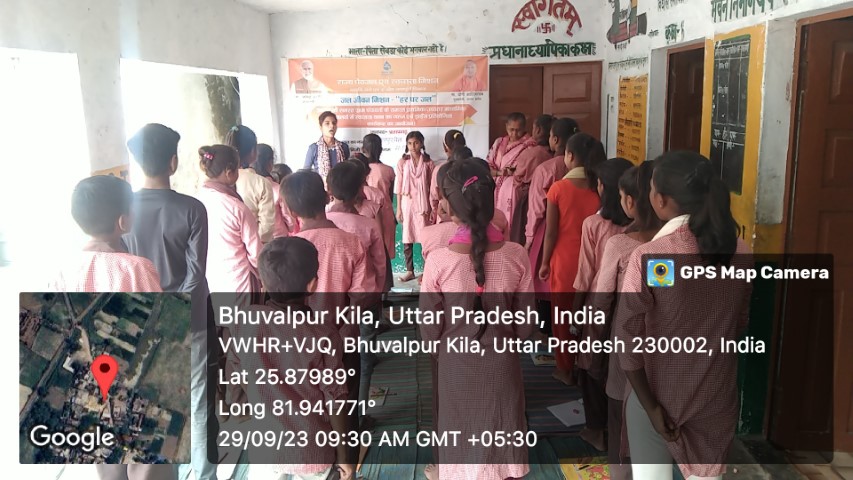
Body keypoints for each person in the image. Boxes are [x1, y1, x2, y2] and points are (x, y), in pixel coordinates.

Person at [615, 151, 752, 480]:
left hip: (657, 393)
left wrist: (651, 408)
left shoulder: (652, 258)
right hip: (715, 394)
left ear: (661, 200)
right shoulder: (741, 252)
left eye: (651, 188)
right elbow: (739, 321)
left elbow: (627, 340)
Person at [53, 175, 176, 480]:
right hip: (132, 376)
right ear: (123, 221)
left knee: (105, 452)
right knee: (148, 456)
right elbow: (158, 316)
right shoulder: (136, 268)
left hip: (93, 377)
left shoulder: (64, 269)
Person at [420, 159, 535, 480]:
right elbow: (526, 324)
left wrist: (442, 350)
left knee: (459, 426)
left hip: (455, 363)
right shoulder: (516, 255)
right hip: (502, 363)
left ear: (450, 209)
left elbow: (429, 328)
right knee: (502, 423)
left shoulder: (438, 261)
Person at [122, 123, 217, 480]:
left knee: (150, 401)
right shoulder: (192, 209)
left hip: (145, 315)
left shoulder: (123, 211)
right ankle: (205, 474)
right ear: (173, 162)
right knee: (199, 400)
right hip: (192, 316)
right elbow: (196, 272)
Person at [245, 237, 353, 480]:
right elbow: (336, 400)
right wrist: (345, 456)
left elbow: (239, 374)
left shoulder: (245, 323)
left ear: (262, 282)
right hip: (312, 452)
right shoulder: (323, 334)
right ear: (312, 285)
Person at [283, 170, 374, 438]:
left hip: (299, 343)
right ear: (326, 197)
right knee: (347, 398)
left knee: (307, 400)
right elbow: (361, 297)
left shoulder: (285, 249)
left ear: (290, 210)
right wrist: (344, 333)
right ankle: (348, 448)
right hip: (343, 339)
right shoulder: (352, 244)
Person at [588, 161, 662, 480]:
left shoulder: (621, 245)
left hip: (626, 349)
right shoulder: (681, 246)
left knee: (621, 425)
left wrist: (591, 345)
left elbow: (602, 300)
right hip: (669, 350)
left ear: (630, 201)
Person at [573, 157, 633, 452]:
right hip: (630, 308)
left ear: (602, 187)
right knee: (621, 367)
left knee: (591, 365)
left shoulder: (594, 224)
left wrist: (575, 313)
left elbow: (585, 274)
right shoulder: (642, 229)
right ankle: (619, 429)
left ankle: (595, 429)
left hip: (598, 304)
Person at [538, 133, 606, 385]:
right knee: (590, 316)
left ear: (569, 156)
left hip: (565, 262)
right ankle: (587, 365)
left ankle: (565, 369)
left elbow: (551, 233)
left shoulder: (558, 189)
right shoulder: (600, 188)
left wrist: (545, 262)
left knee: (563, 318)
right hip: (596, 262)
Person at [195, 145, 262, 303]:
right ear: (228, 172)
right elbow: (256, 254)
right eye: (237, 169)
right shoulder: (237, 208)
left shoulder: (196, 201)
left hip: (211, 280)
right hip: (239, 282)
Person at [526, 118, 580, 297]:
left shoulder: (546, 169)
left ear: (555, 140)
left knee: (544, 281)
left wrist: (529, 238)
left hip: (546, 231)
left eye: (550, 136)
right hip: (576, 229)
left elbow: (536, 209)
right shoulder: (588, 170)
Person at [487, 112, 539, 230]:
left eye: (518, 130)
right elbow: (488, 164)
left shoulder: (530, 145)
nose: (514, 134)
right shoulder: (499, 142)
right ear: (506, 127)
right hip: (494, 188)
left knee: (511, 225)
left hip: (514, 191)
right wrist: (499, 173)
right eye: (511, 130)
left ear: (524, 128)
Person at [508, 114, 555, 243]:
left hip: (528, 202)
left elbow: (517, 181)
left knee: (525, 240)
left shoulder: (530, 153)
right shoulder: (557, 157)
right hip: (553, 204)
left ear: (538, 130)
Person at [394, 131, 434, 282]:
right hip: (408, 203)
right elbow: (399, 187)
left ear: (422, 144)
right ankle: (410, 270)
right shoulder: (402, 162)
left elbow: (432, 186)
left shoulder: (429, 163)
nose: (413, 146)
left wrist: (433, 208)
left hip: (423, 204)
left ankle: (427, 271)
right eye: (410, 143)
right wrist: (399, 208)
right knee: (407, 237)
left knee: (426, 238)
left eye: (416, 143)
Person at [226, 125, 275, 243]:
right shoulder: (261, 183)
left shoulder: (221, 183)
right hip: (257, 248)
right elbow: (266, 229)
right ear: (253, 151)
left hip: (229, 247)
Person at [359, 134, 396, 259]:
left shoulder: (360, 170)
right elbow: (390, 196)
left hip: (365, 214)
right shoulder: (389, 170)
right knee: (385, 252)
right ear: (381, 149)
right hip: (386, 213)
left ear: (363, 149)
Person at [431, 130, 467, 224]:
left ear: (445, 147)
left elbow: (434, 197)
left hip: (445, 216)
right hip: (469, 218)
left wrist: (435, 211)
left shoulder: (439, 170)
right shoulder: (473, 166)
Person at [304, 111, 350, 182]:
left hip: (341, 186)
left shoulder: (343, 147)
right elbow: (306, 173)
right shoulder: (314, 148)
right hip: (320, 187)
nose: (332, 126)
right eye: (327, 123)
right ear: (321, 127)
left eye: (334, 123)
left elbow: (348, 170)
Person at [270, 163, 298, 238]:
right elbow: (288, 217)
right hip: (281, 235)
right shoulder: (281, 192)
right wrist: (291, 227)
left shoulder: (263, 186)